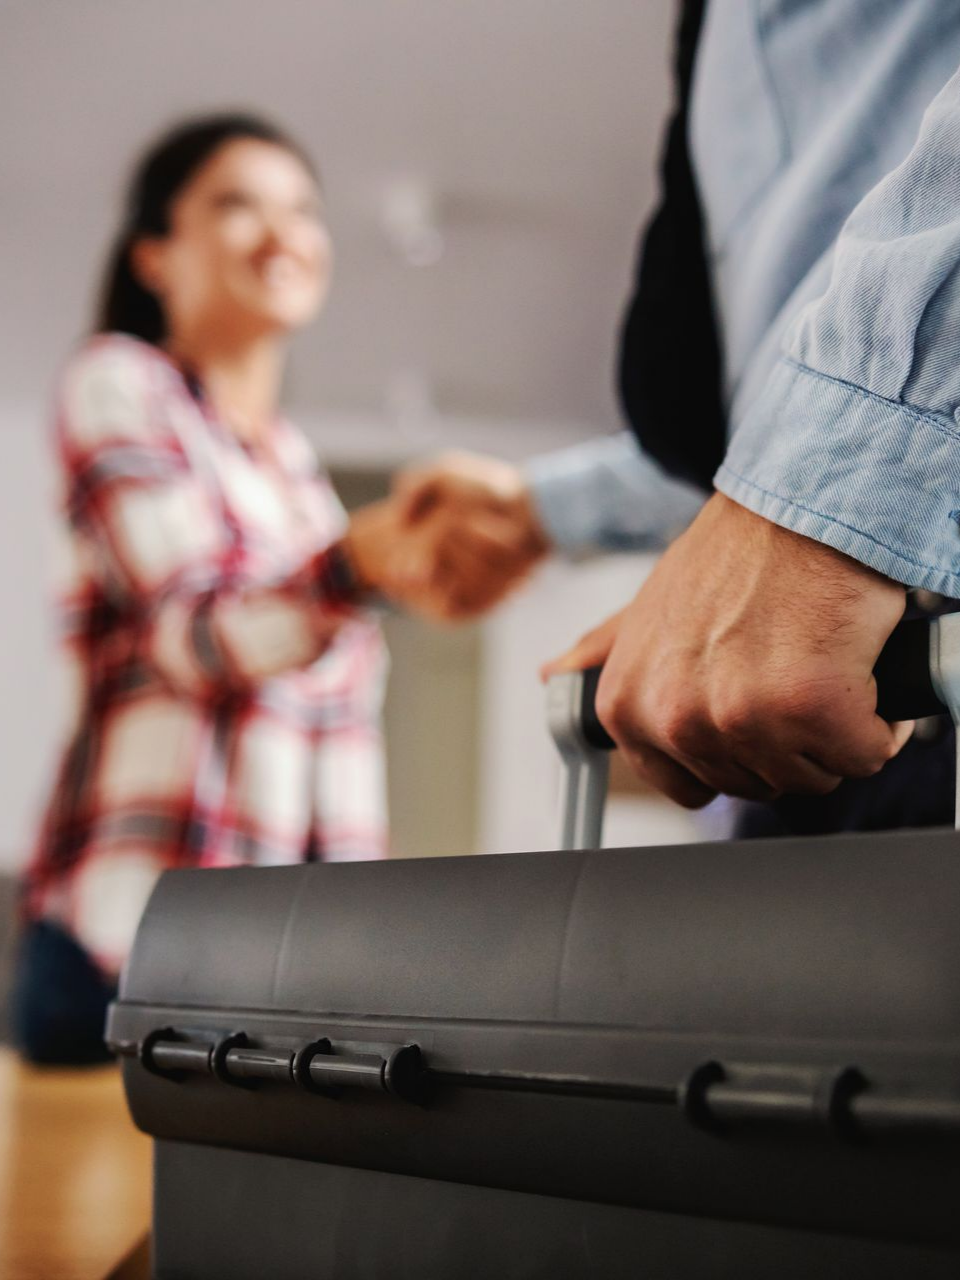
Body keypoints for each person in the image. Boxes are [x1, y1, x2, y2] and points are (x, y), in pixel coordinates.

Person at [397, 0, 960, 835]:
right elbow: (774, 405)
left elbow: (832, 448)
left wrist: (824, 503)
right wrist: (541, 511)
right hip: (827, 720)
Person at [10, 113, 495, 1065]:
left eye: (303, 209)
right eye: (237, 204)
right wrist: (356, 567)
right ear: (155, 254)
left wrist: (359, 954)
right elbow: (193, 634)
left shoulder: (297, 472)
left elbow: (333, 738)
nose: (284, 233)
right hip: (130, 952)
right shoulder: (118, 382)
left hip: (267, 973)